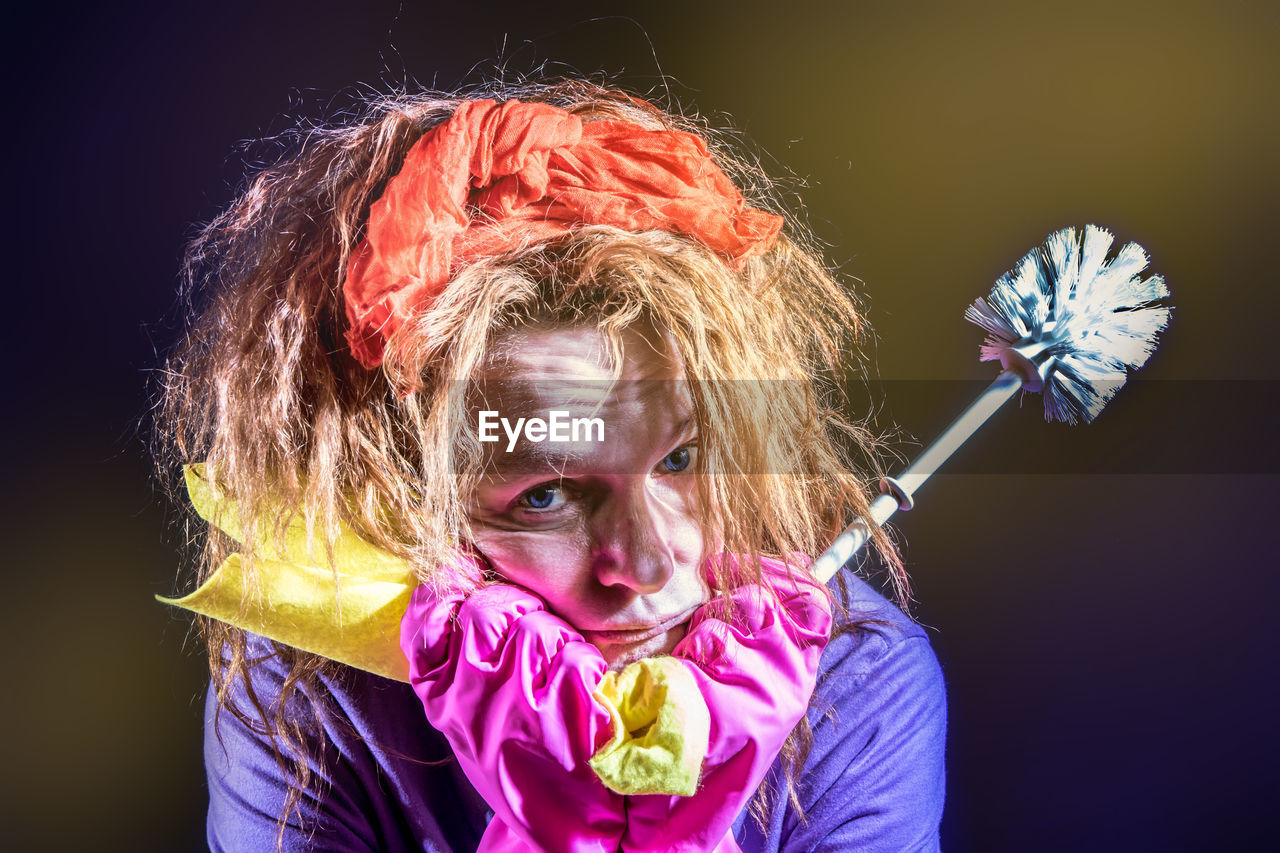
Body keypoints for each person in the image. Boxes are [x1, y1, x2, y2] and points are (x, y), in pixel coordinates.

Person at [155, 79, 947, 852]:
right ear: (407, 503)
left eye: (681, 458)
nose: (643, 562)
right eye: (547, 494)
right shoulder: (309, 693)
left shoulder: (856, 681)